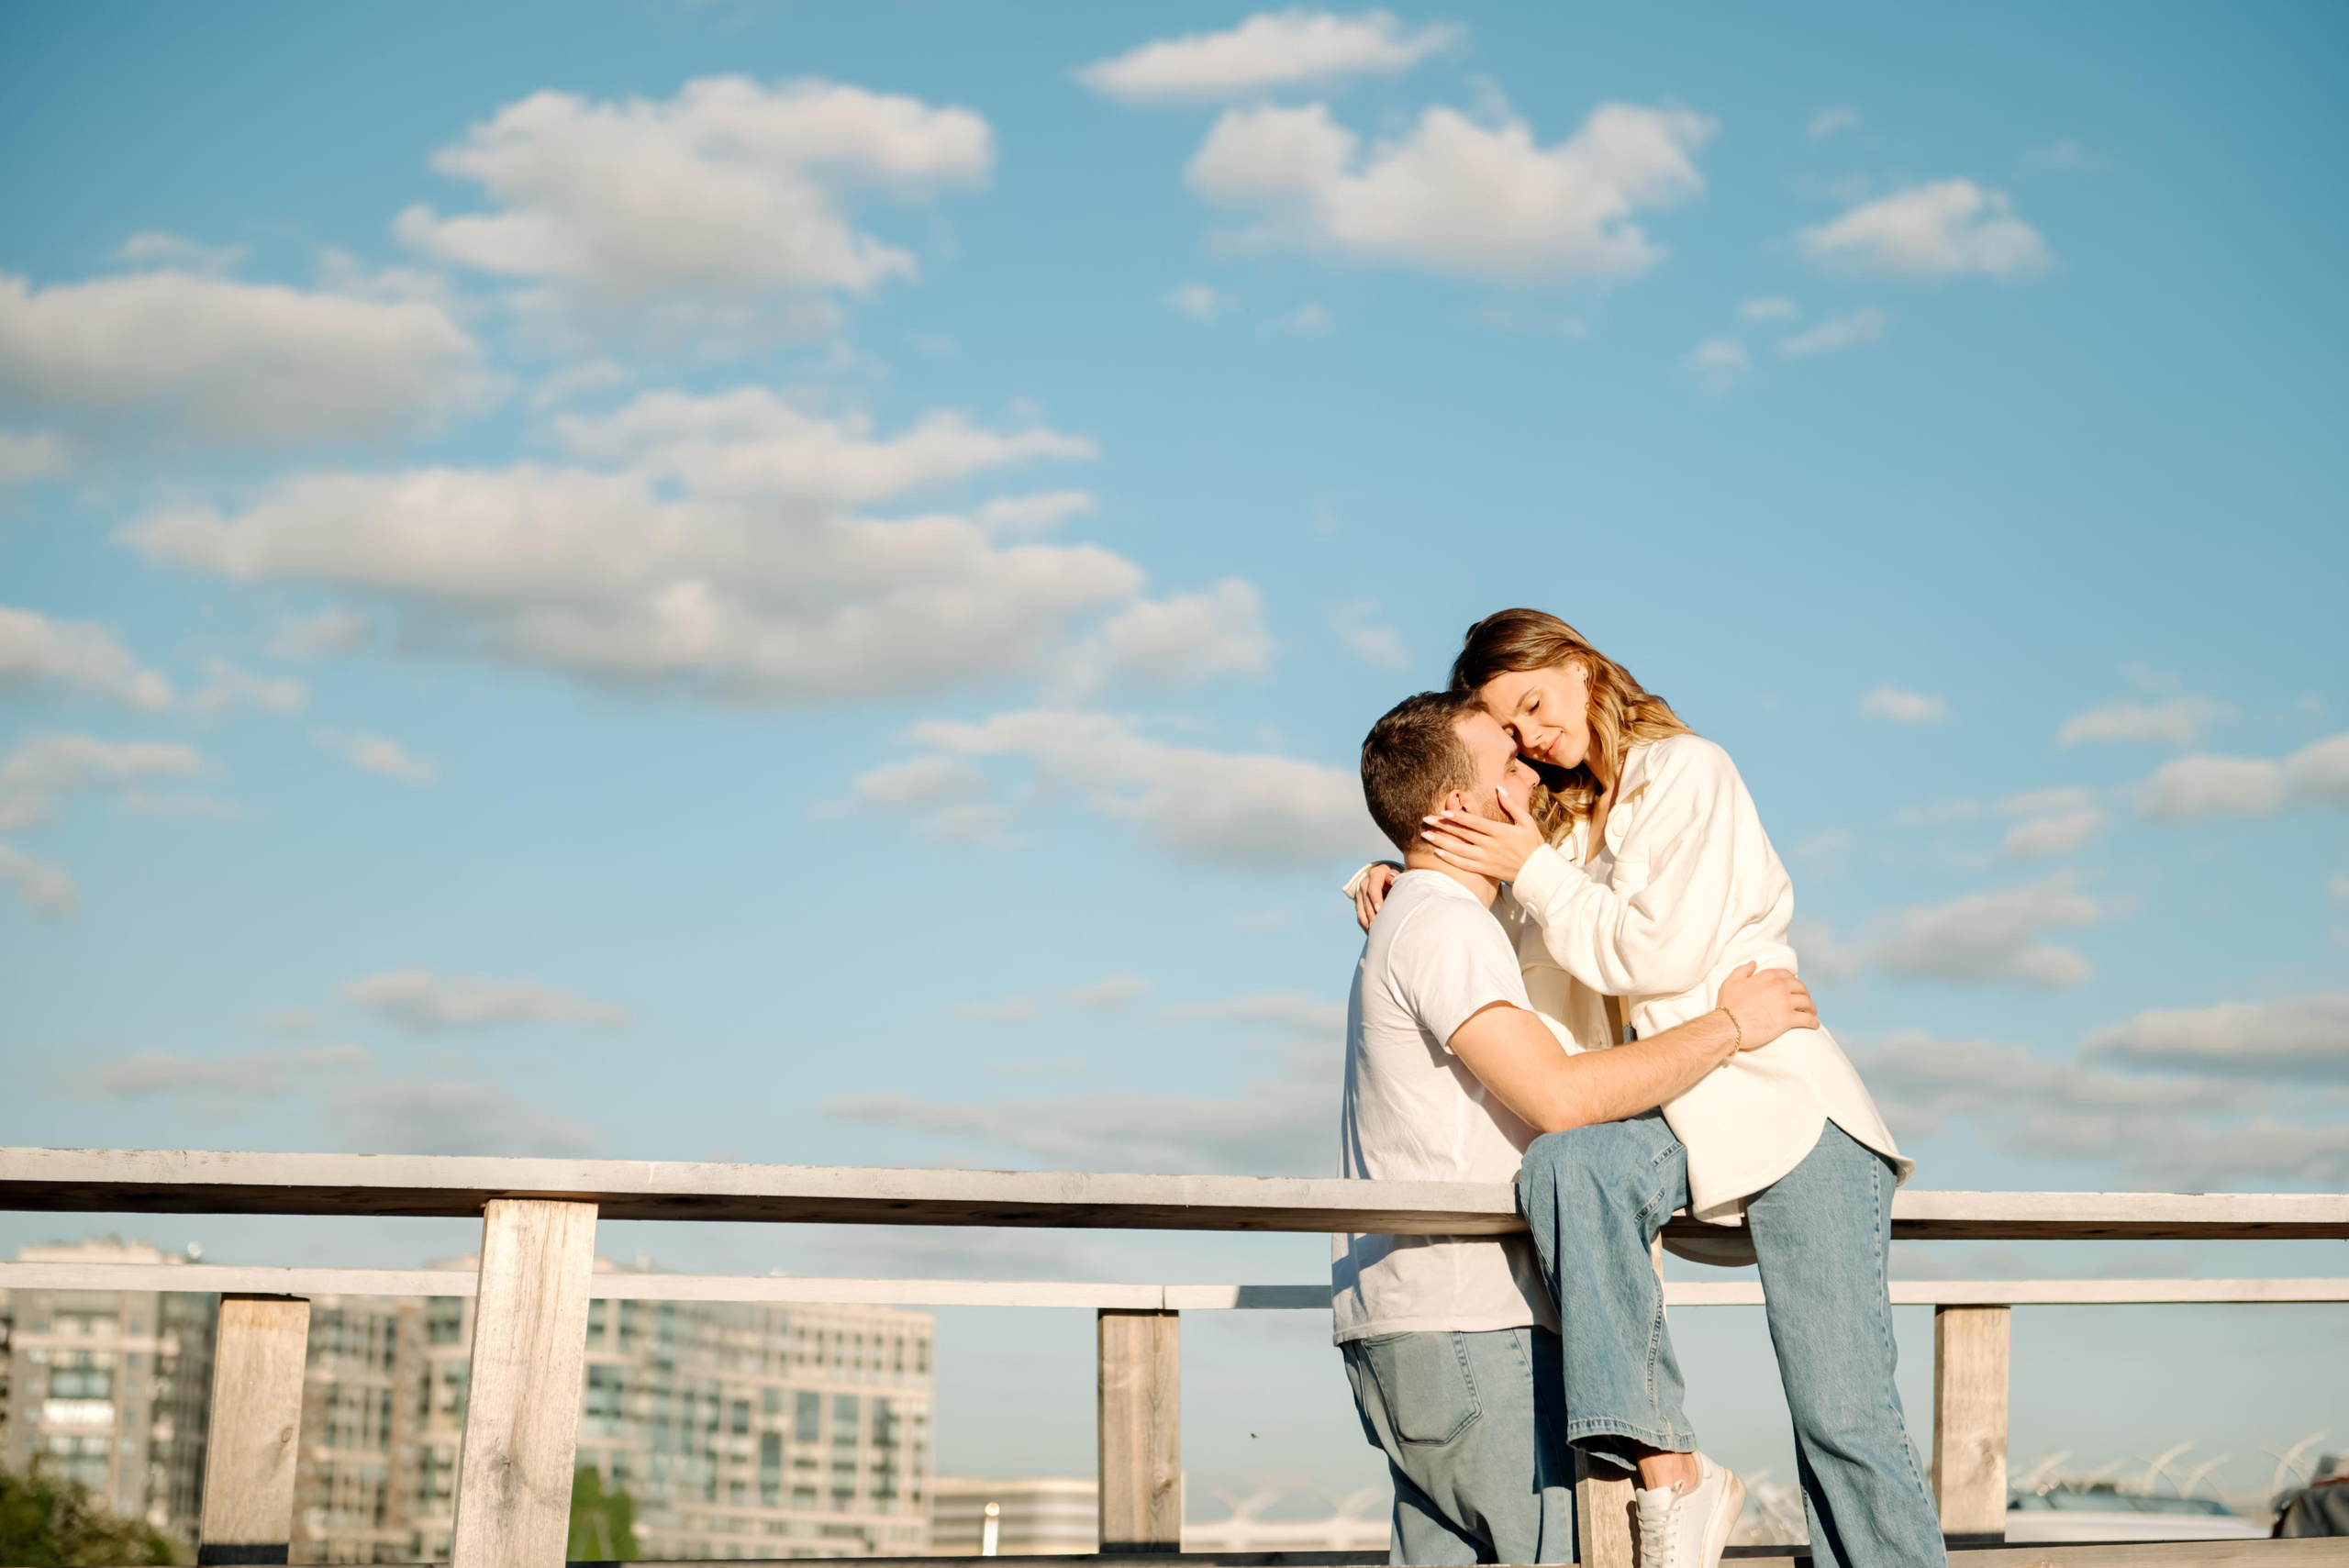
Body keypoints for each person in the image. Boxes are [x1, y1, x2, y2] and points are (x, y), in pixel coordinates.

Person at [1351, 609, 1945, 1568]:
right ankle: (1671, 1469)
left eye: (1536, 705)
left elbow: (1654, 950)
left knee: (1840, 1415)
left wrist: (1530, 866)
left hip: (1782, 1097)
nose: (1537, 738)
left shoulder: (1688, 773)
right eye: (1513, 731)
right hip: (1676, 1111)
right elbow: (1516, 961)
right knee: (1568, 1164)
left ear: (1580, 667)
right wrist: (1403, 871)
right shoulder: (1560, 828)